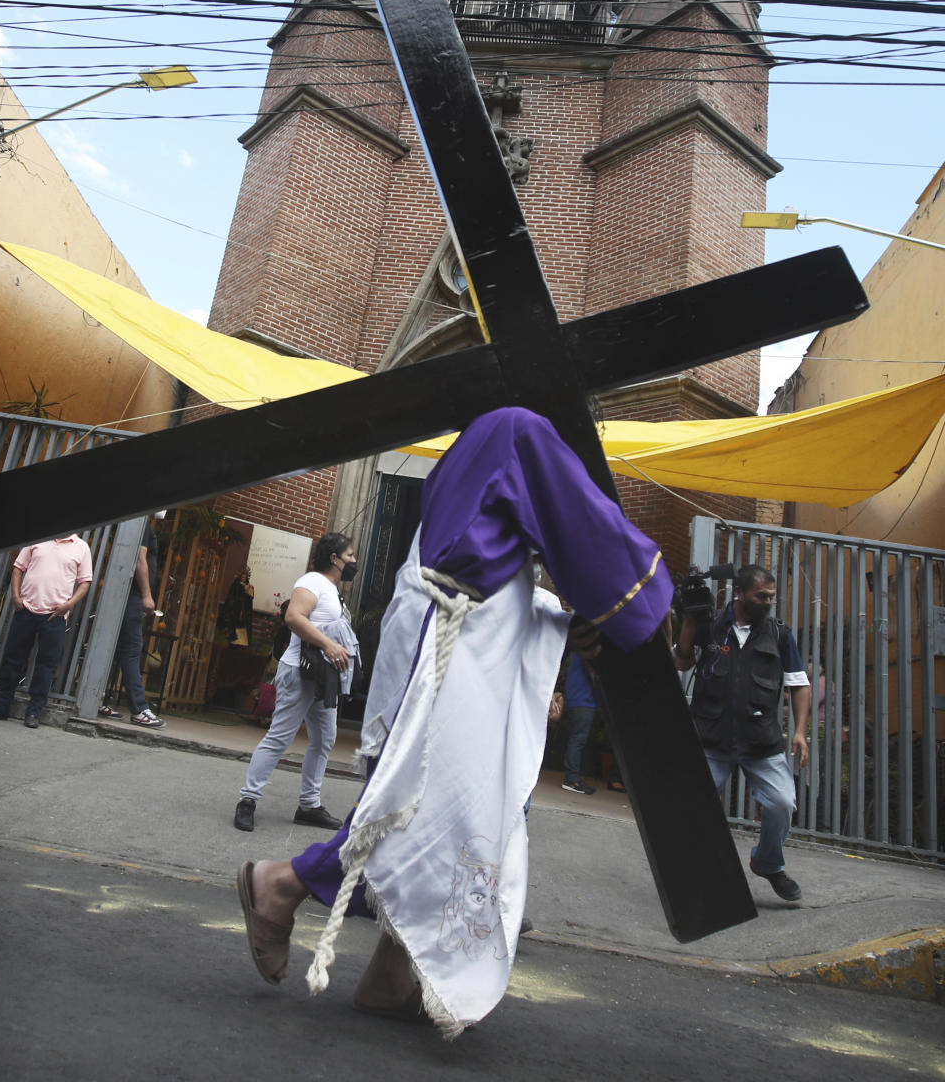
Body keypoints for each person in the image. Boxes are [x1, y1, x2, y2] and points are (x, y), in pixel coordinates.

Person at [234, 407, 673, 1038]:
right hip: (454, 647)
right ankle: (284, 884)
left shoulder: (485, 439)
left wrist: (560, 620)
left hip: (454, 635)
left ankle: (389, 975)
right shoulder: (519, 429)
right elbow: (585, 532)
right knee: (434, 808)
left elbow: (506, 562)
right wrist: (638, 603)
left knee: (444, 807)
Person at [673, 564, 811, 903]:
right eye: (760, 596)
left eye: (771, 597)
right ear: (740, 594)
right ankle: (700, 873)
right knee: (695, 804)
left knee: (781, 803)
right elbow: (682, 661)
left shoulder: (780, 634)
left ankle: (767, 863)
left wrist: (800, 732)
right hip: (712, 738)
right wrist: (690, 621)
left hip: (760, 742)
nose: (767, 602)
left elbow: (798, 684)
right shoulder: (711, 626)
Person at [233, 533, 360, 834]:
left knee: (325, 738)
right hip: (300, 672)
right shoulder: (312, 583)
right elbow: (293, 617)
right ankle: (247, 800)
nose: (354, 561)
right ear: (335, 559)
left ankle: (309, 805)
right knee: (279, 736)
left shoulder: (332, 592)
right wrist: (329, 645)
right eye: (350, 555)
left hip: (322, 678)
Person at [0, 534, 93, 728]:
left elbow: (85, 582)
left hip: (55, 615)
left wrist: (69, 605)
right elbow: (18, 568)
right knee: (12, 659)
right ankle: (0, 707)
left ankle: (34, 712)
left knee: (46, 666)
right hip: (26, 610)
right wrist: (16, 598)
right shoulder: (38, 538)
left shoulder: (82, 547)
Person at [98, 513, 166, 729]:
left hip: (127, 594)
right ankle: (139, 709)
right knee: (131, 650)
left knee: (117, 649)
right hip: (133, 594)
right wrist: (146, 595)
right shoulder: (142, 522)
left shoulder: (138, 521)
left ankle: (100, 699)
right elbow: (139, 558)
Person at [561, 652, 597, 794]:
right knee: (578, 739)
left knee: (577, 738)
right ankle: (572, 779)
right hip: (582, 699)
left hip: (579, 698)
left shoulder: (580, 652)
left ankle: (572, 777)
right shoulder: (587, 653)